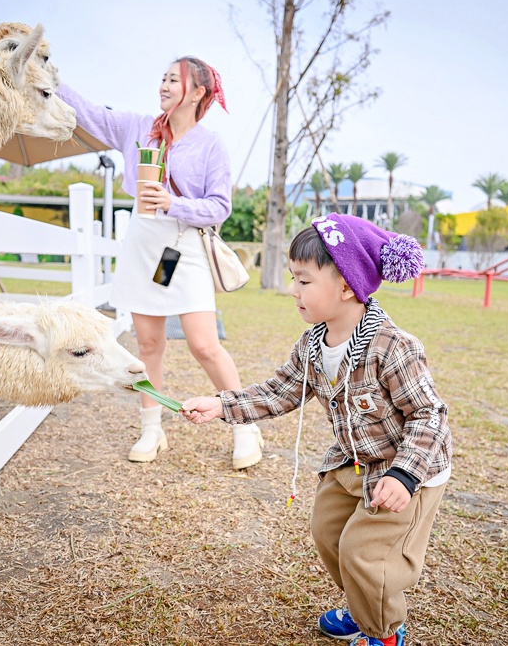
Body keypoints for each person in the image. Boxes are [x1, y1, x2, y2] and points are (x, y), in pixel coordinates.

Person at [181, 214, 452, 646]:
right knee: (328, 533)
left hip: (405, 472)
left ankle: (383, 633)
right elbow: (278, 391)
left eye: (303, 281)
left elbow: (429, 415)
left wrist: (406, 475)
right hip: (355, 462)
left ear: (346, 285)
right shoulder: (312, 344)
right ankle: (363, 604)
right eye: (293, 279)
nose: (293, 290)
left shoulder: (392, 346)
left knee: (365, 552)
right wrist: (220, 404)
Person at [56, 57, 263, 469]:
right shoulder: (138, 128)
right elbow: (89, 113)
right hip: (142, 244)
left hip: (184, 248)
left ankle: (245, 426)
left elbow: (220, 207)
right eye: (163, 78)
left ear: (199, 92)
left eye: (175, 79)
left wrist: (174, 202)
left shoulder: (210, 145)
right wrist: (46, 72)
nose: (165, 85)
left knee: (204, 344)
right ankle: (152, 427)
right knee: (149, 345)